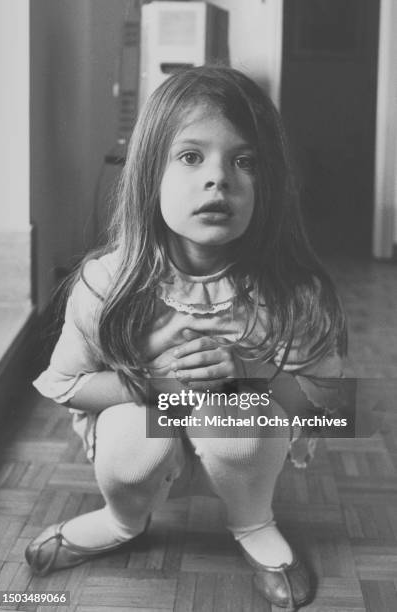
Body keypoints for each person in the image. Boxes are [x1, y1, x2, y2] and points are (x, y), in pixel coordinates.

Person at [25, 66, 346, 610]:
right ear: (149, 174)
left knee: (235, 417)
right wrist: (156, 383)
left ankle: (253, 523)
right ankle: (123, 520)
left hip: (241, 443)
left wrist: (250, 378)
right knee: (130, 432)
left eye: (245, 162)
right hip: (146, 427)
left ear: (270, 183)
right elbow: (67, 384)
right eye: (191, 156)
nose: (219, 179)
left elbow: (331, 406)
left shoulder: (294, 293)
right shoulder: (107, 282)